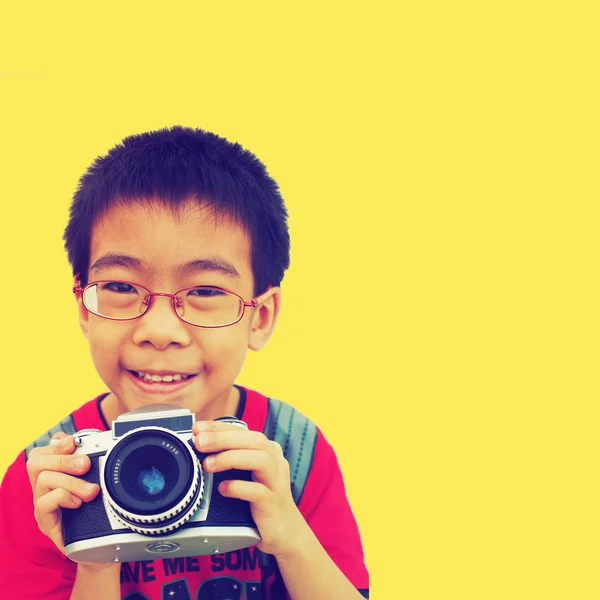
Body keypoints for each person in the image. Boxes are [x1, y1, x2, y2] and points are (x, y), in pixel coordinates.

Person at [0, 126, 369, 600]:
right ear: (83, 308)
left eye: (206, 292)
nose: (160, 330)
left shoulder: (292, 452)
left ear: (261, 316)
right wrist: (92, 557)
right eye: (119, 287)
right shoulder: (53, 479)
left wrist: (292, 539)